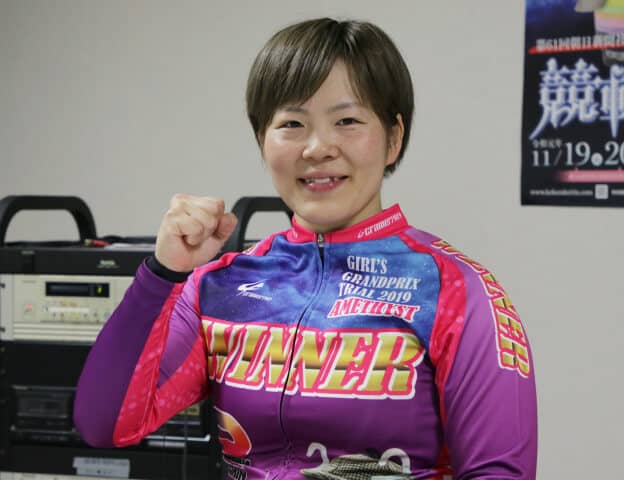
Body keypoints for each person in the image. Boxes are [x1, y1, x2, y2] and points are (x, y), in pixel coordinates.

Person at [74, 17, 537, 479]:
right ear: (262, 139)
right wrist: (163, 272)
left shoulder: (456, 290)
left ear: (393, 138)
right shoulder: (218, 287)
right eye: (292, 123)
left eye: (347, 121)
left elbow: (499, 473)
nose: (317, 148)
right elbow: (105, 424)